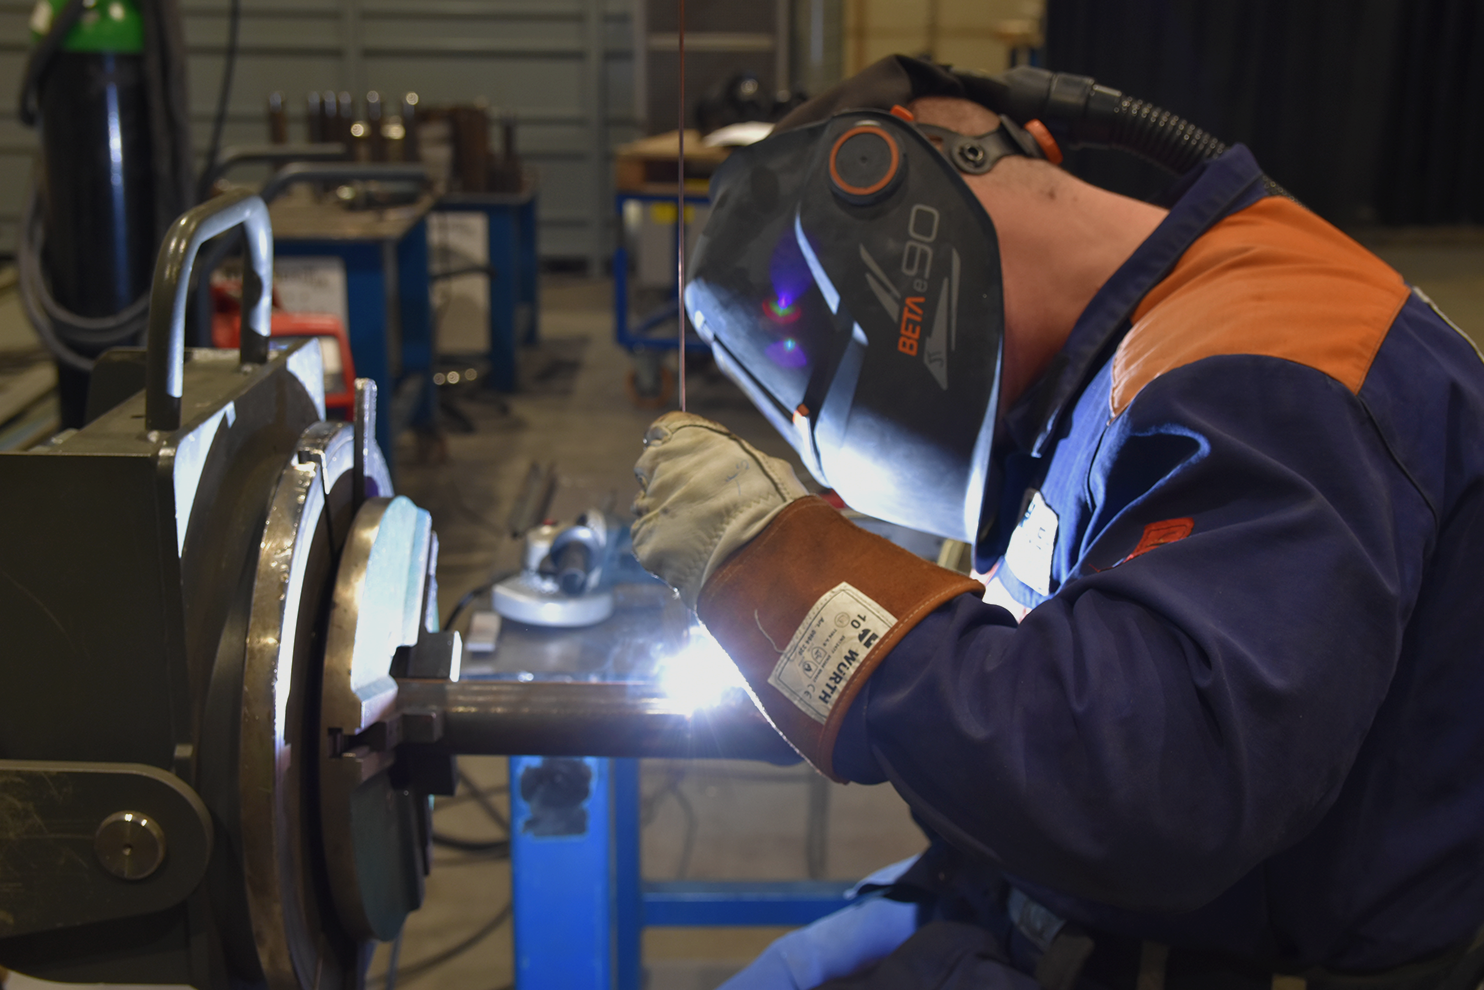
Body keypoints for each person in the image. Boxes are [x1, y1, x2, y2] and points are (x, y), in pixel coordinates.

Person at [630, 56, 1484, 990]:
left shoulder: (1271, 362)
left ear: (889, 200)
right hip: (1112, 928)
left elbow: (1150, 790)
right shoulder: (1120, 367)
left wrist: (778, 571)